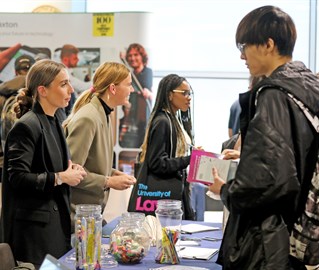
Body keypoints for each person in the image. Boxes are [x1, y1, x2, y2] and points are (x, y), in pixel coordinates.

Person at [208, 5, 319, 269]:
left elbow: (265, 181)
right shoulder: (309, 88)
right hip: (300, 235)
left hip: (270, 242)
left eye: (244, 46)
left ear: (268, 45)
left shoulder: (274, 95)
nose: (242, 56)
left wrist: (225, 190)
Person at [0, 59, 87, 267]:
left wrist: (70, 169)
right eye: (63, 84)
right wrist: (60, 177)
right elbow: (18, 177)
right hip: (34, 231)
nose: (71, 89)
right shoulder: (27, 125)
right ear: (43, 90)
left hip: (55, 225)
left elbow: (48, 164)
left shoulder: (55, 119)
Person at [63, 62, 137, 223]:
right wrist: (108, 181)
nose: (132, 90)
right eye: (129, 85)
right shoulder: (89, 117)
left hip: (90, 214)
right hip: (78, 216)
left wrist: (111, 172)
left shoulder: (102, 113)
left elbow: (90, 163)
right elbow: (71, 172)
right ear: (112, 88)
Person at [137, 74, 195, 220]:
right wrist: (190, 159)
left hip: (173, 192)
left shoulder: (173, 119)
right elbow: (157, 163)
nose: (188, 97)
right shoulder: (163, 121)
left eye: (190, 93)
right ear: (170, 95)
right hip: (165, 196)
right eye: (184, 93)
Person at [119, 43, 153, 148]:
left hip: (142, 119)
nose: (132, 58)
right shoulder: (130, 75)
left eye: (136, 55)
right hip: (130, 117)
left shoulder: (147, 72)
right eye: (130, 55)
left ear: (142, 56)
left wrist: (147, 93)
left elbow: (145, 88)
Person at [59, 44, 91, 115]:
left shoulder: (68, 72)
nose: (78, 60)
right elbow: (83, 87)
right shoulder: (63, 73)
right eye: (75, 58)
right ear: (65, 59)